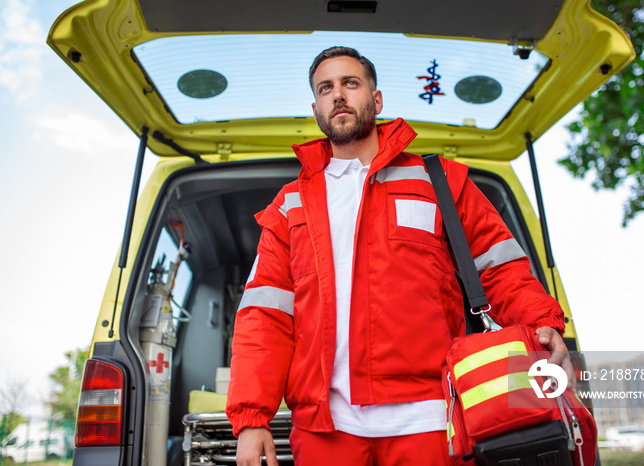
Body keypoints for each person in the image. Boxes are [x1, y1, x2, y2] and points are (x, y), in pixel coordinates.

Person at [226, 46, 572, 466]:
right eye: (325, 88)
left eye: (350, 83)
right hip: (326, 430)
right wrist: (251, 418)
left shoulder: (439, 180)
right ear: (315, 107)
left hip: (432, 418)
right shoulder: (290, 204)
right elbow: (264, 317)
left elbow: (501, 267)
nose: (338, 95)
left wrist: (543, 323)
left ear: (377, 99)